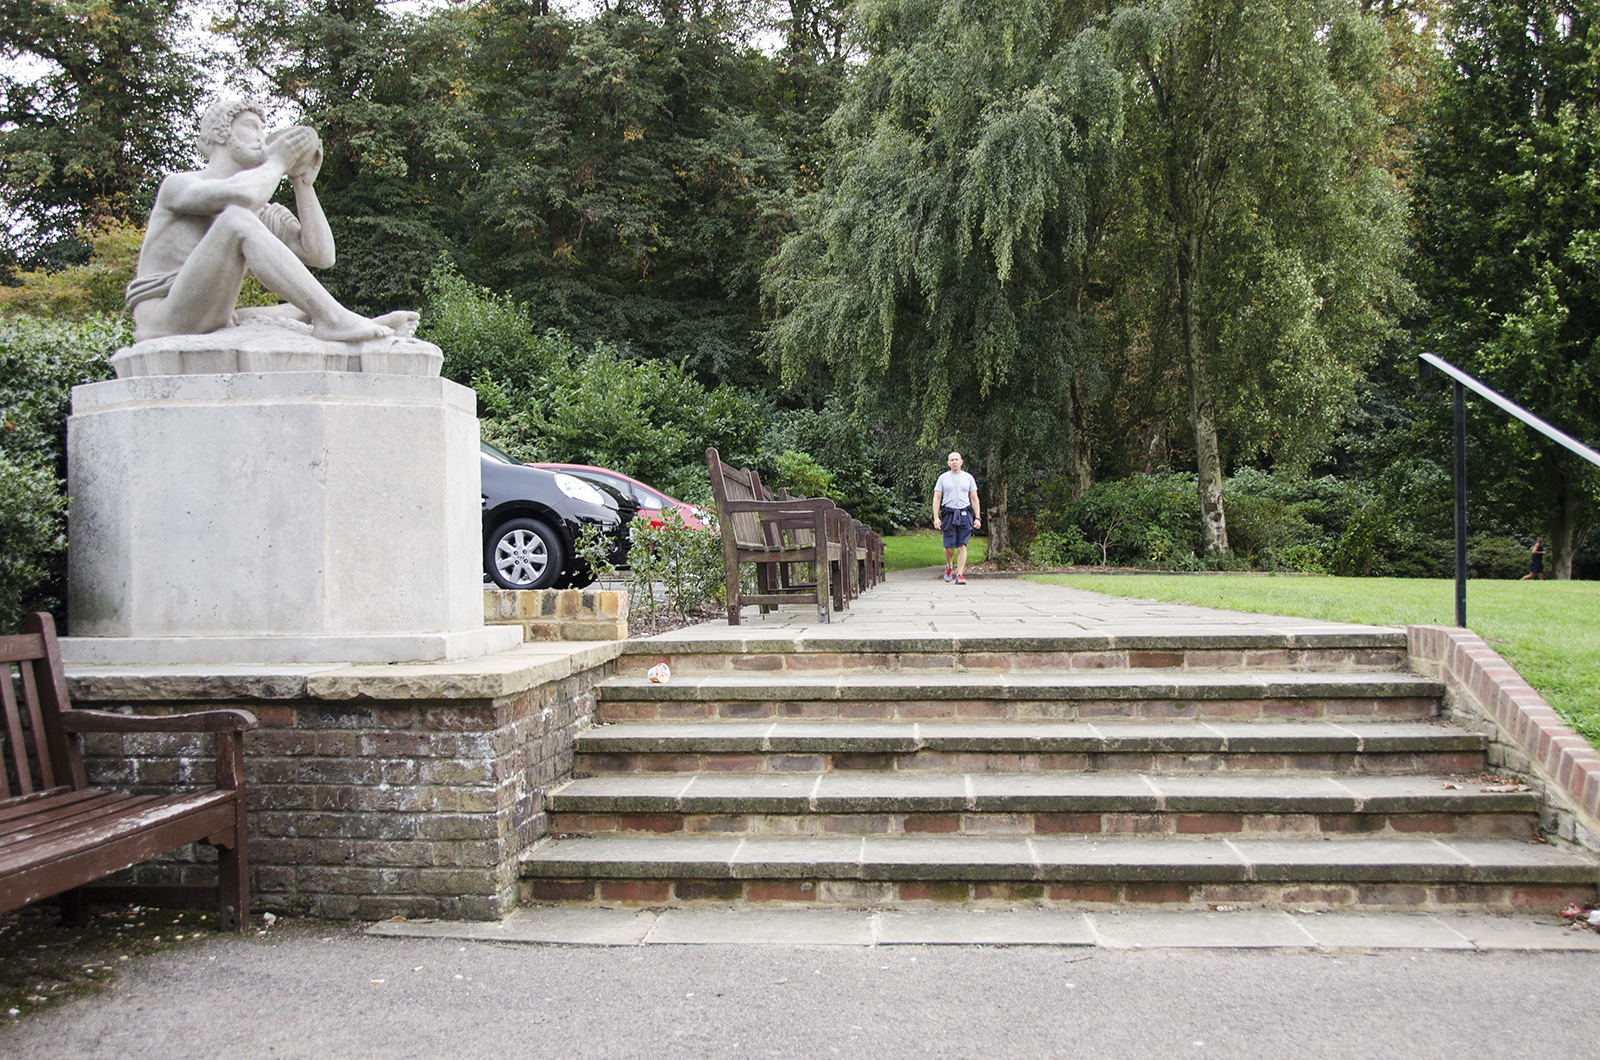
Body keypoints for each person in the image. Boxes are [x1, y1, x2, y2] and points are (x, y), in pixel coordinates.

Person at [127, 96, 417, 343]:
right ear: (220, 132)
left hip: (213, 315)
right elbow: (242, 199)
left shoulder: (257, 213)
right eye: (251, 126)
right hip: (164, 319)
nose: (260, 136)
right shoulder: (180, 185)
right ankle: (334, 318)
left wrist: (303, 184)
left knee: (302, 309)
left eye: (262, 128)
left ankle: (348, 320)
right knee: (237, 220)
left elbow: (321, 255)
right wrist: (277, 162)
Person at [932, 451, 981, 584]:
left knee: (962, 544)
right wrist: (936, 517)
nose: (954, 462)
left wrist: (978, 517)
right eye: (951, 460)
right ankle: (949, 565)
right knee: (949, 546)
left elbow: (974, 498)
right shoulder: (943, 478)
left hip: (964, 513)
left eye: (956, 459)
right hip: (949, 513)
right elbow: (937, 498)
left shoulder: (968, 478)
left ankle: (960, 575)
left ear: (961, 461)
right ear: (948, 463)